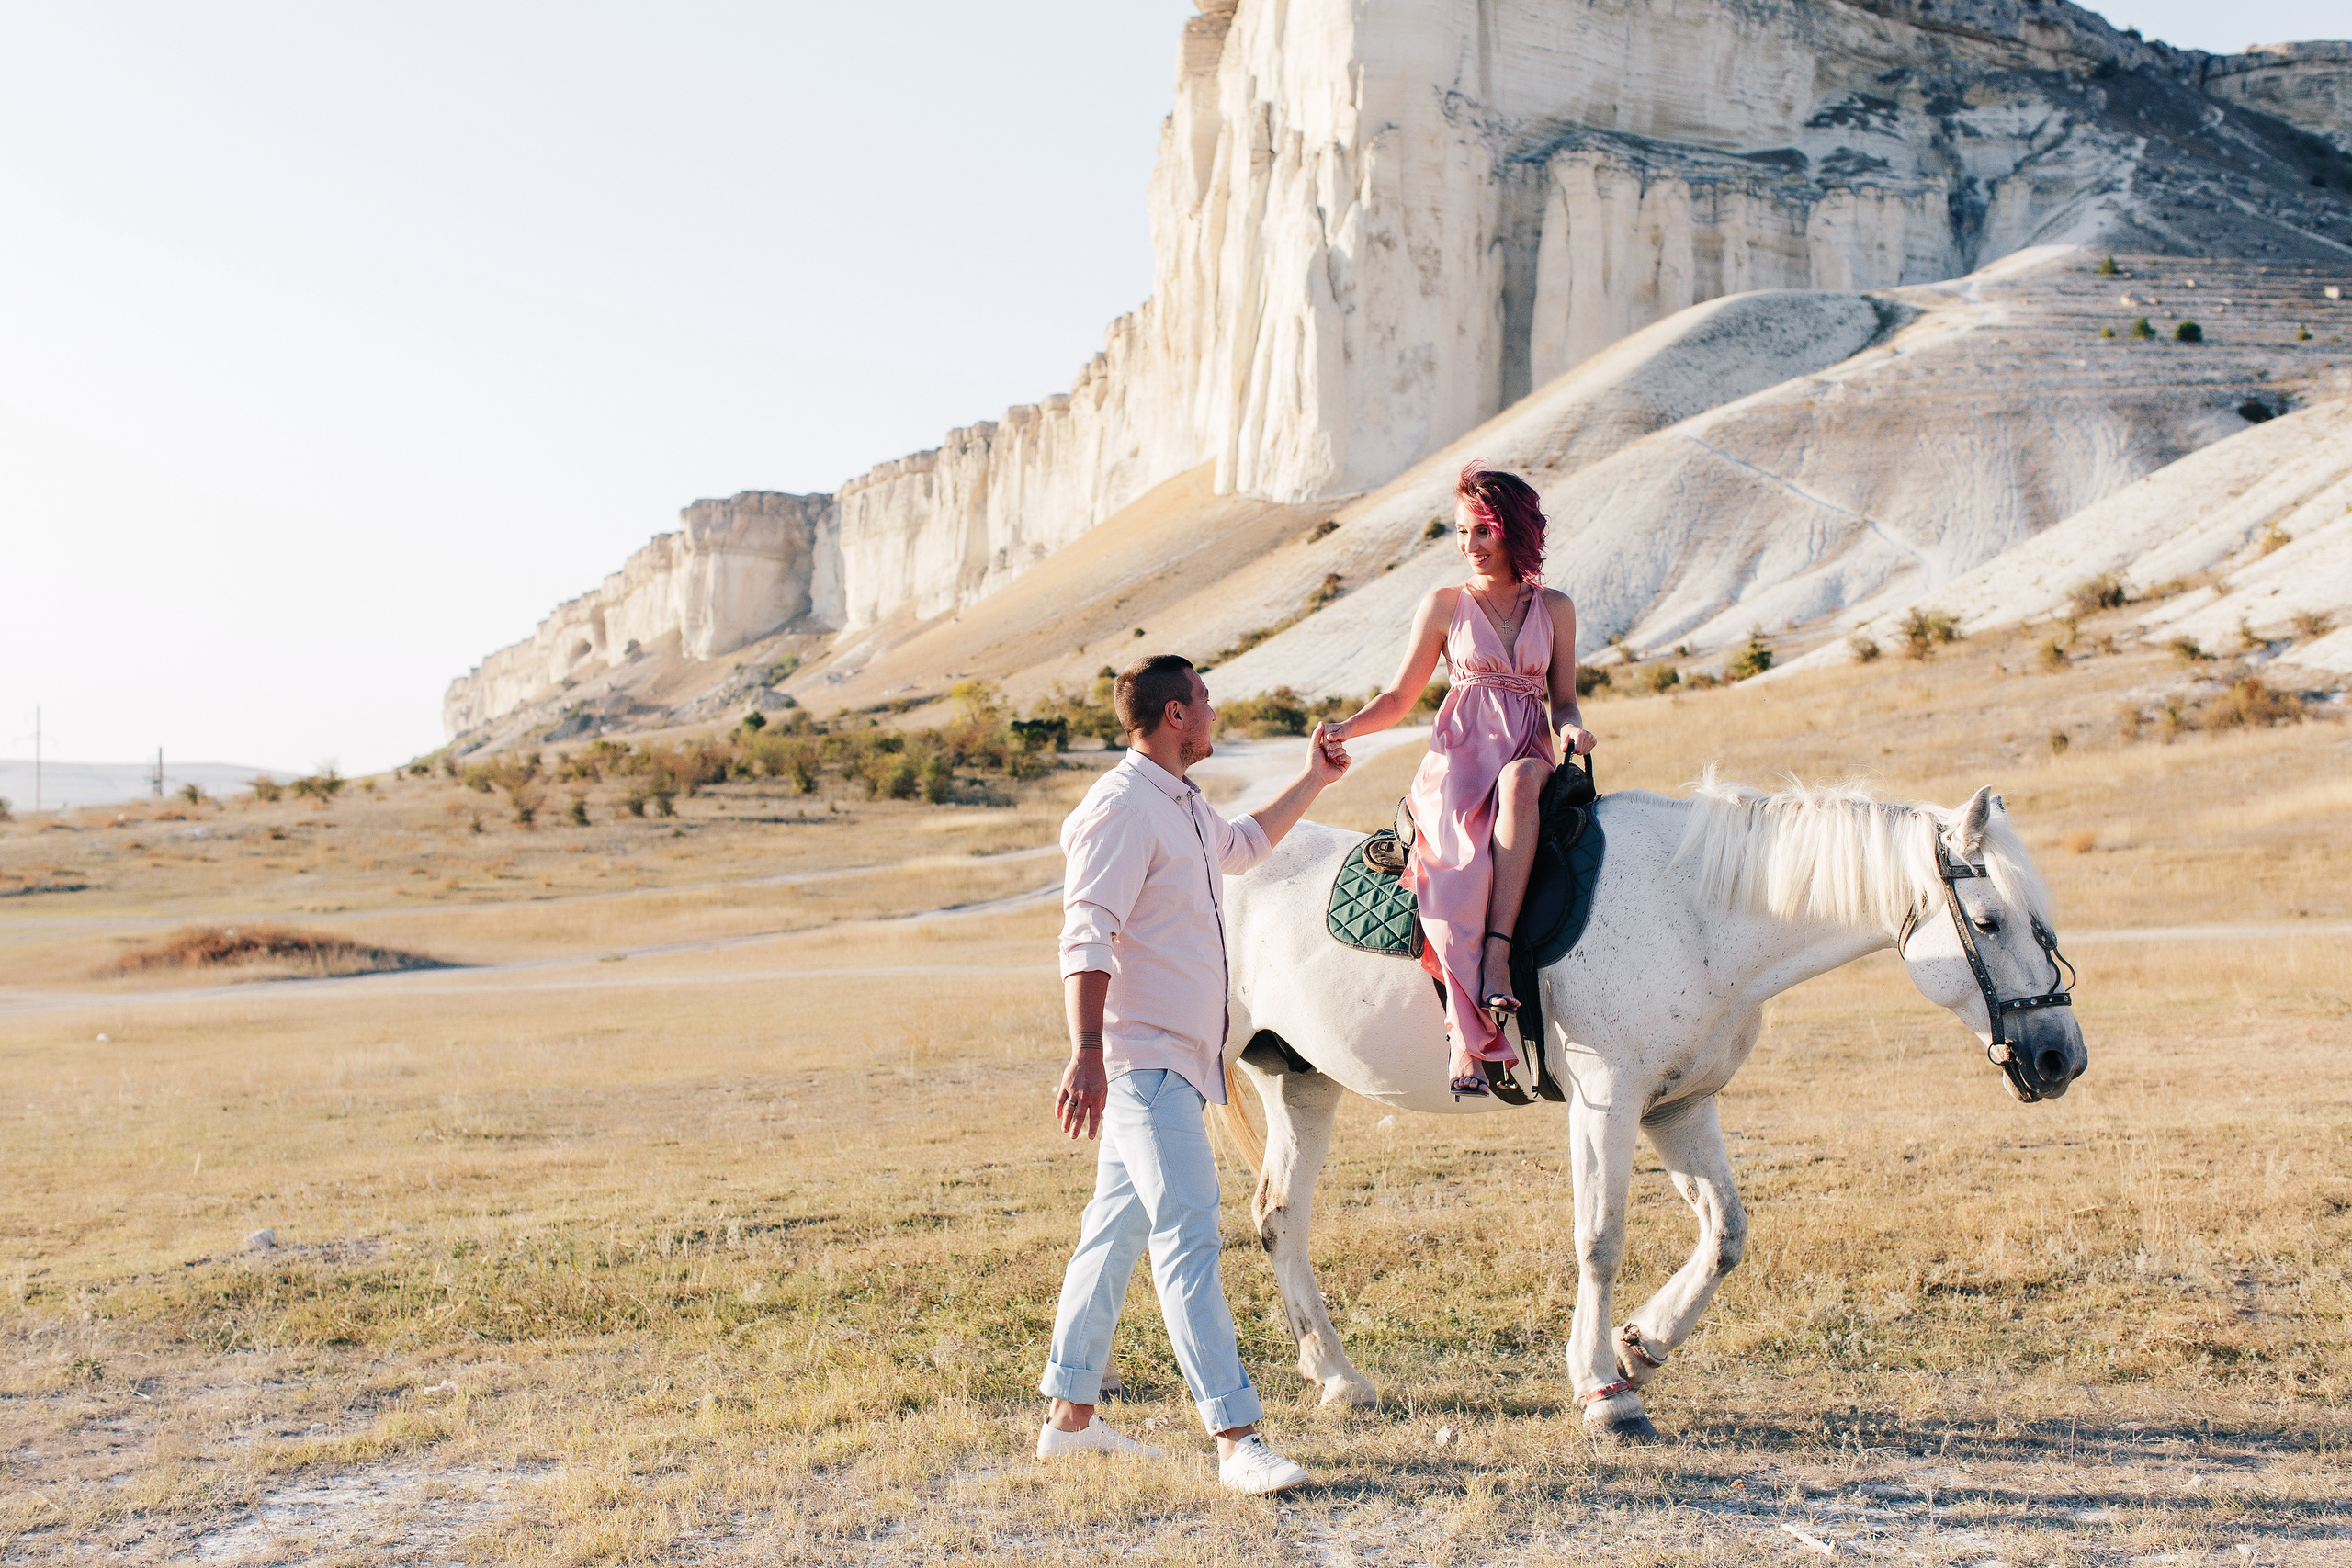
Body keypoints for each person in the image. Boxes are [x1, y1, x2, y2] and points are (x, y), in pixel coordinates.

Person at [1037, 653, 1350, 1494]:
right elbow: (1086, 932)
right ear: (1175, 714)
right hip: (1142, 1059)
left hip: (1178, 1060)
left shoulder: (1181, 803)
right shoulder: (1120, 808)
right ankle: (1236, 1437)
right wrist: (1088, 1051)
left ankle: (1070, 1419)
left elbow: (1245, 846)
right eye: (1204, 699)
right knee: (1189, 1233)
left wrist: (1314, 778)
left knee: (1113, 1233)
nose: (1213, 711)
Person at [1320, 463, 1595, 1096]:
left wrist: (1574, 731)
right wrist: (1345, 727)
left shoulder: (1555, 608)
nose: (1469, 544)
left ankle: (1498, 958)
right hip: (1457, 763)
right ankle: (1464, 1040)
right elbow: (1399, 697)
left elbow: (1564, 701)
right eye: (1462, 531)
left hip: (1526, 751)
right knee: (1456, 870)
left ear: (1515, 530)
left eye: (1483, 530)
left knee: (1521, 784)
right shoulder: (1445, 605)